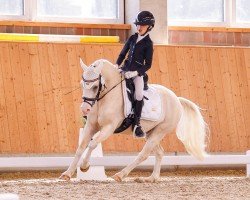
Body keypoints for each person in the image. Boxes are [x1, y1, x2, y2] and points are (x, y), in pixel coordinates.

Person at [115, 11, 155, 138]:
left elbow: (148, 64)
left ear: (149, 27)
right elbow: (123, 53)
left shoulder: (148, 43)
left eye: (142, 25)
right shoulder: (132, 38)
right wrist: (116, 65)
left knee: (138, 94)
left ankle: (137, 123)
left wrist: (135, 73)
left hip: (137, 73)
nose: (139, 27)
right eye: (138, 25)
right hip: (124, 69)